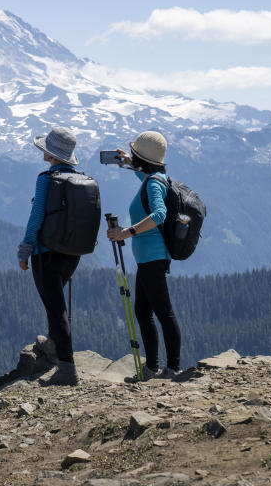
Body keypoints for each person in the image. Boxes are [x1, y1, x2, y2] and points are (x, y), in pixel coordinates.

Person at [105, 130, 181, 380]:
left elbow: (159, 214)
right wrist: (129, 163)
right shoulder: (154, 178)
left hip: (153, 257)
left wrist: (127, 232)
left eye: (135, 154)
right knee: (143, 311)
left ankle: (171, 369)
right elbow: (147, 177)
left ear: (142, 158)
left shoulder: (153, 183)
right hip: (148, 258)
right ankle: (153, 368)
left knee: (163, 312)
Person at [18, 126, 81, 386]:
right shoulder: (78, 180)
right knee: (55, 303)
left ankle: (66, 368)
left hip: (46, 254)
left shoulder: (46, 179)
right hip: (72, 253)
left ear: (51, 153)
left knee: (56, 309)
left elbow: (36, 218)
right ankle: (54, 345)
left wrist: (25, 248)